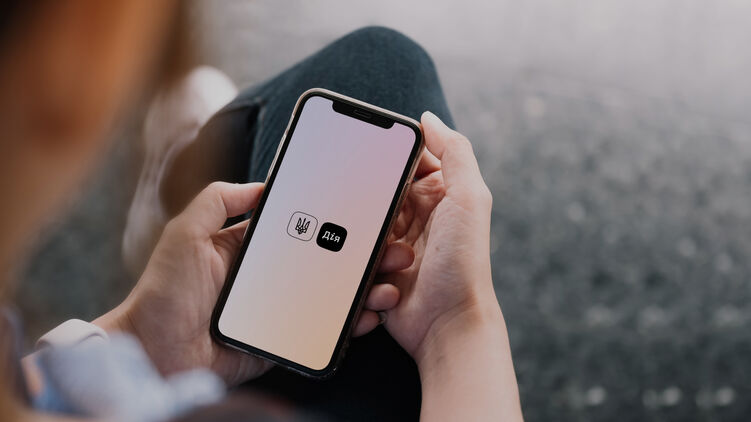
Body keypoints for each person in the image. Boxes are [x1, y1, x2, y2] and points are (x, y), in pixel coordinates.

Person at [0, 2, 523, 421]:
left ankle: (189, 173)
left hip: (159, 362)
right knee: (384, 62)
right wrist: (456, 322)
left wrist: (140, 337)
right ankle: (190, 171)